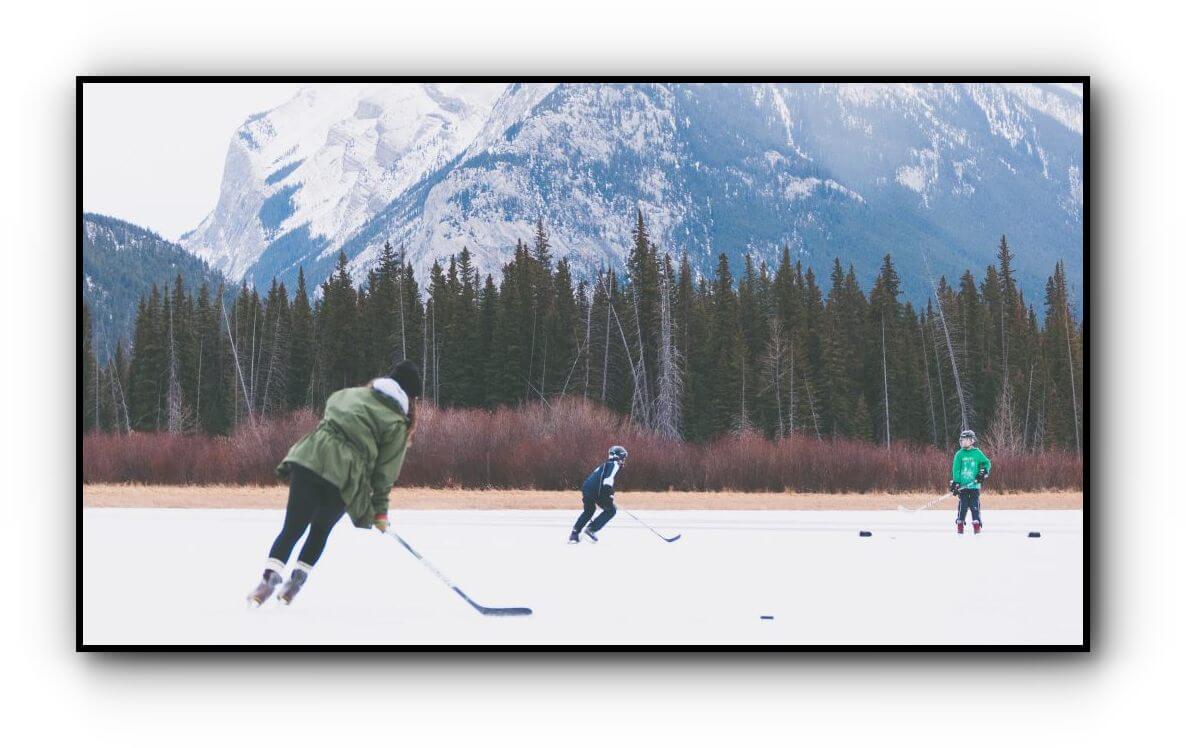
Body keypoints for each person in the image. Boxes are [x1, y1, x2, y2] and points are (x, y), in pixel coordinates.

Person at [247, 360, 422, 606]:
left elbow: (331, 407)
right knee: (320, 529)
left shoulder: (350, 394)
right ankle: (294, 585)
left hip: (311, 457)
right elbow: (385, 474)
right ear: (410, 399)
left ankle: (267, 581)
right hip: (345, 476)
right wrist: (380, 512)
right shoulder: (396, 424)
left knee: (293, 527)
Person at [569, 446, 628, 544]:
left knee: (589, 511)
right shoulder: (614, 465)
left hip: (586, 488)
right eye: (623, 458)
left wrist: (609, 494)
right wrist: (608, 494)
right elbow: (608, 480)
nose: (623, 461)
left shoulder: (605, 464)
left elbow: (598, 479)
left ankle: (574, 535)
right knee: (611, 510)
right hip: (597, 490)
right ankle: (591, 529)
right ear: (617, 457)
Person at [949, 429, 991, 535]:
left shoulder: (977, 453)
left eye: (966, 439)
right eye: (962, 440)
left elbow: (987, 463)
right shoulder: (959, 454)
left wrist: (983, 472)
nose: (963, 442)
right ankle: (960, 524)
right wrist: (956, 483)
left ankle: (977, 526)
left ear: (972, 441)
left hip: (974, 486)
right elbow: (956, 469)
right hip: (963, 486)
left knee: (974, 506)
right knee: (963, 506)